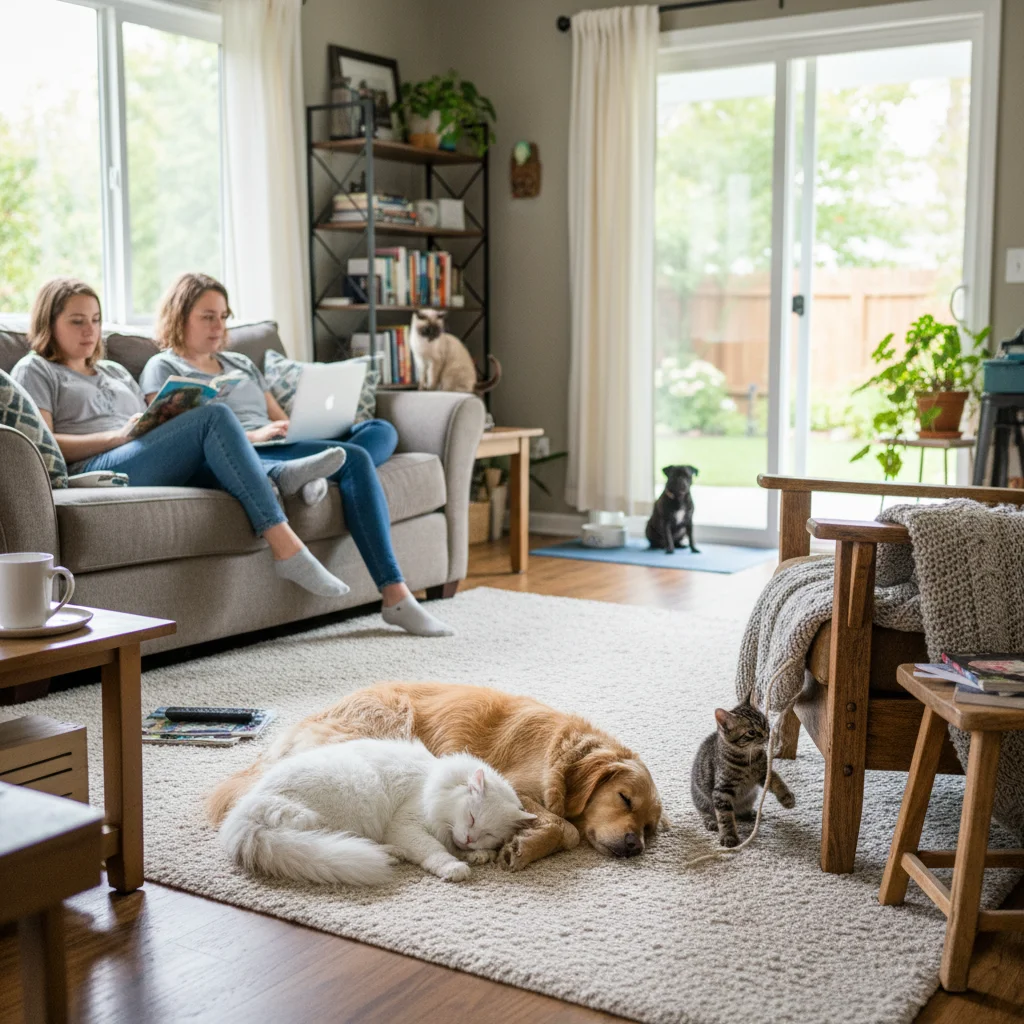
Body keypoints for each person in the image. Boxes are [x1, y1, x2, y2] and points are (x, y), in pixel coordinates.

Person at [140, 272, 454, 638]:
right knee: (354, 458)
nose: (218, 326)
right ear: (180, 316)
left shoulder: (240, 363)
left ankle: (316, 473)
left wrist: (303, 427)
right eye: (207, 316)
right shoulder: (164, 367)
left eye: (224, 316)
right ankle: (395, 594)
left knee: (380, 430)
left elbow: (278, 416)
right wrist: (255, 434)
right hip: (243, 454)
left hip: (279, 442)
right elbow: (173, 437)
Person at [11, 277, 348, 600]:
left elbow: (144, 424)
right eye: (77, 321)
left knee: (209, 438)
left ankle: (277, 474)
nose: (90, 330)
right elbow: (45, 445)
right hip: (96, 466)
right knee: (215, 416)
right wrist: (116, 437)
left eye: (96, 320)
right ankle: (288, 548)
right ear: (49, 323)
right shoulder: (37, 369)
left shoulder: (114, 371)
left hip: (136, 450)